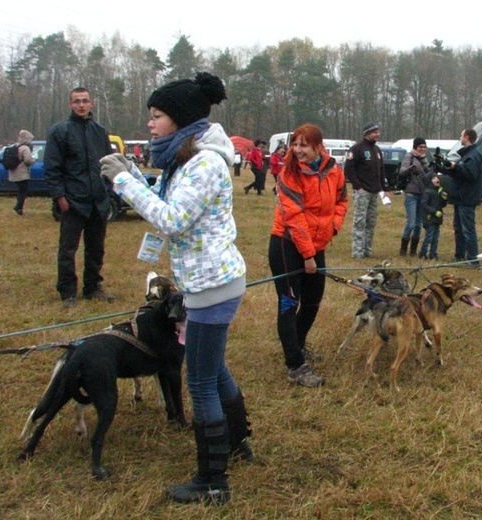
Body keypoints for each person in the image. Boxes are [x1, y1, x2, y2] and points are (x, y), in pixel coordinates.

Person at [100, 72, 252, 505]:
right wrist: (135, 174)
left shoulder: (205, 162)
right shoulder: (186, 157)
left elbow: (171, 220)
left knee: (200, 381)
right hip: (206, 283)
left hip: (213, 287)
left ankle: (212, 481)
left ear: (181, 119)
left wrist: (123, 183)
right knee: (215, 369)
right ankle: (238, 441)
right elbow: (170, 203)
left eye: (157, 116)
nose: (150, 124)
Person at [268, 124, 348, 387]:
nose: (297, 150)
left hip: (316, 245)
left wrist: (333, 227)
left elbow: (342, 201)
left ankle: (298, 346)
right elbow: (293, 217)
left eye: (303, 145)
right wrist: (308, 255)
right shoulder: (288, 173)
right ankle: (294, 366)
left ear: (318, 146)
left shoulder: (334, 170)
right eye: (295, 144)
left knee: (313, 302)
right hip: (287, 244)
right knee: (289, 303)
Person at [44, 87, 116, 308]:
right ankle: (67, 292)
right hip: (73, 201)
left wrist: (107, 189)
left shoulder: (99, 131)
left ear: (91, 103)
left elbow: (107, 163)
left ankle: (93, 287)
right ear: (70, 104)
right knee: (68, 249)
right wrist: (60, 197)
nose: (81, 105)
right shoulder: (60, 131)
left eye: (85, 101)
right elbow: (52, 167)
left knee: (96, 248)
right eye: (77, 101)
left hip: (98, 200)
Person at [344, 122, 385, 259]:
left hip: (375, 191)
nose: (377, 134)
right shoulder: (357, 149)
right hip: (363, 191)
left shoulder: (377, 150)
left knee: (371, 222)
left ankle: (367, 251)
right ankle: (357, 253)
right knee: (359, 222)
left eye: (378, 132)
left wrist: (384, 188)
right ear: (367, 133)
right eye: (375, 132)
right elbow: (348, 169)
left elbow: (381, 170)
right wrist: (357, 187)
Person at [445, 128, 482, 262]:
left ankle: (473, 258)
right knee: (459, 229)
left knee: (468, 230)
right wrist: (450, 169)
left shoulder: (473, 155)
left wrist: (456, 167)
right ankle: (459, 255)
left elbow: (471, 175)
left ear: (467, 137)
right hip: (460, 197)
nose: (460, 138)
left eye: (461, 135)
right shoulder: (466, 155)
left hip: (467, 198)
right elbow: (461, 174)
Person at [397, 137, 429, 256]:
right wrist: (411, 169)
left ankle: (413, 251)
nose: (423, 149)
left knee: (418, 224)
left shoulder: (424, 159)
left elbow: (428, 173)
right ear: (415, 147)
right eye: (420, 146)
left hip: (422, 193)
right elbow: (402, 171)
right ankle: (403, 249)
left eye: (424, 147)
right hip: (411, 193)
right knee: (411, 223)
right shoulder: (408, 156)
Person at [419, 173, 449, 260]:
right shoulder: (428, 192)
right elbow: (424, 204)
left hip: (437, 220)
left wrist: (444, 198)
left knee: (435, 239)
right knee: (429, 237)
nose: (437, 179)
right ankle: (423, 253)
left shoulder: (439, 191)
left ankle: (433, 254)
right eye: (434, 178)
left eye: (437, 177)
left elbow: (442, 205)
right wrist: (434, 212)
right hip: (429, 219)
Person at [8, 130, 36, 216]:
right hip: (22, 173)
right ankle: (19, 207)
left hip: (14, 172)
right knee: (22, 192)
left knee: (20, 190)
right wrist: (34, 160)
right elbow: (27, 160)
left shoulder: (16, 146)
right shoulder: (25, 148)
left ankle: (18, 206)